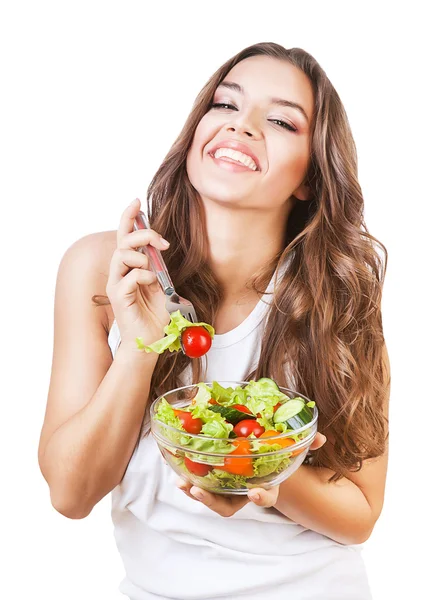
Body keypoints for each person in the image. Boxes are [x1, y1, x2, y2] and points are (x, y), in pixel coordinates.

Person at [38, 42, 390, 600]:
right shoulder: (101, 269)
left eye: (279, 120)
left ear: (309, 179)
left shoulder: (335, 295)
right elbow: (70, 493)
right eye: (225, 105)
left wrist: (260, 471)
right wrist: (140, 347)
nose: (243, 127)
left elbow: (362, 512)